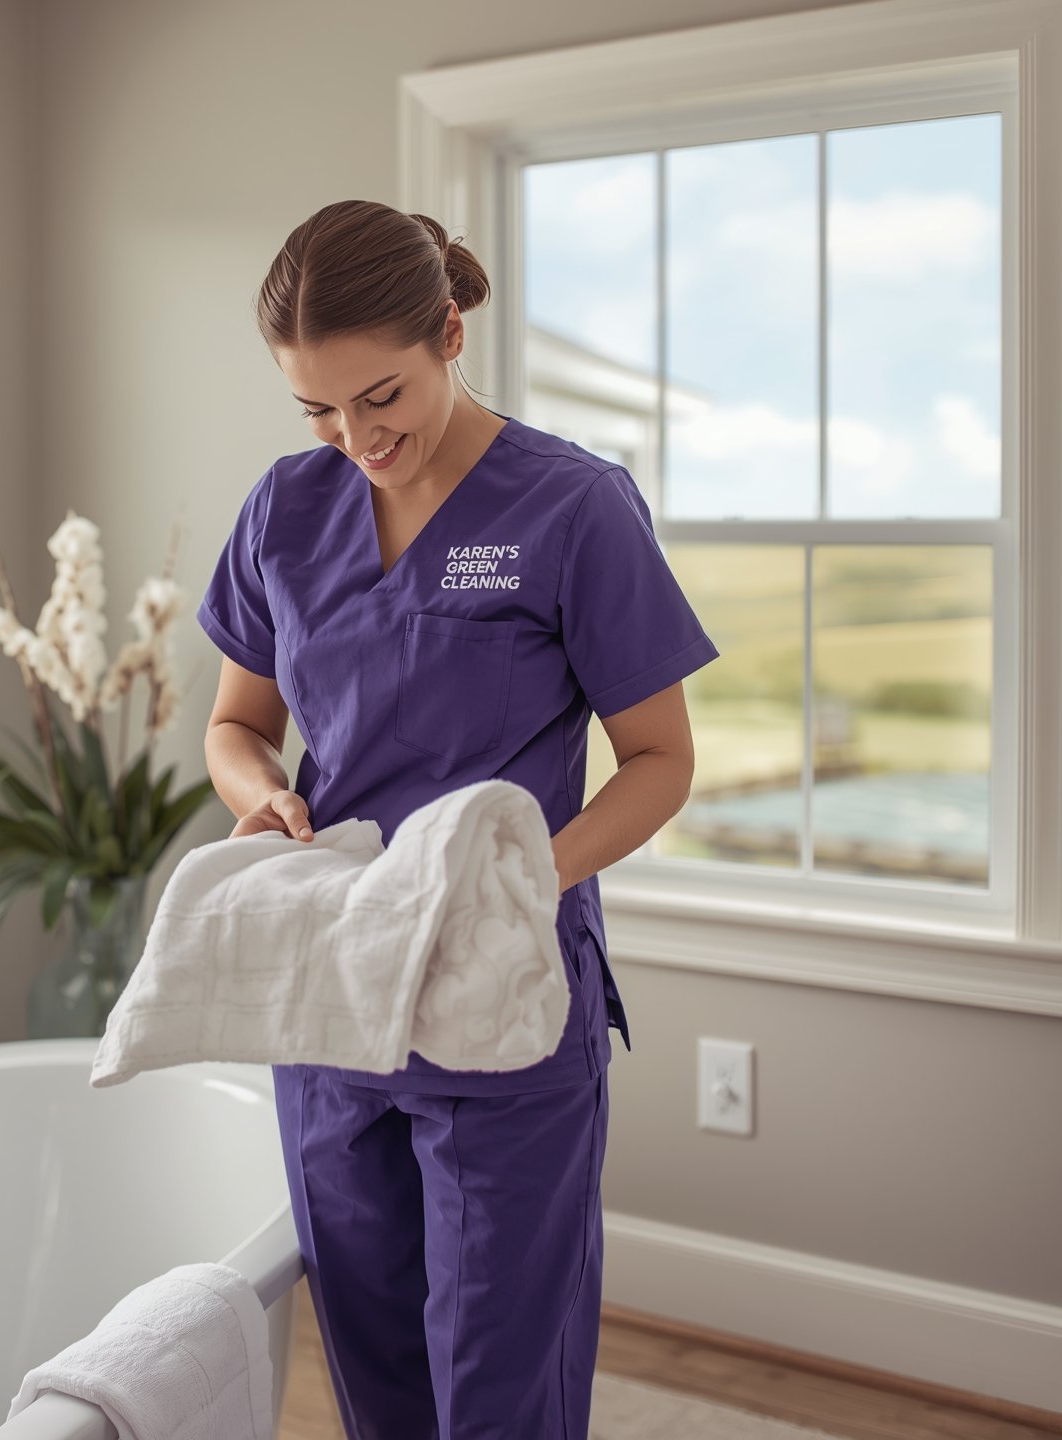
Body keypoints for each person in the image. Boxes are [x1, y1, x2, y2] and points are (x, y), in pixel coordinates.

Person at [196, 198, 721, 1440]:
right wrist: (261, 798)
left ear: (449, 333)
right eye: (318, 409)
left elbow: (657, 758)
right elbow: (235, 727)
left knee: (500, 1378)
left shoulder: (572, 507)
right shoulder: (286, 509)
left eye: (380, 396)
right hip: (336, 984)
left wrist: (526, 878)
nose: (354, 435)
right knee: (374, 1359)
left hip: (502, 991)